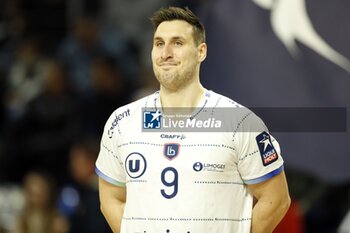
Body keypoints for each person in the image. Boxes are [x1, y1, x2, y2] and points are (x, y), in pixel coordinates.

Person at [95, 6, 291, 233]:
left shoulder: (240, 122)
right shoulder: (122, 122)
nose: (165, 52)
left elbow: (276, 199)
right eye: (159, 43)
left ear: (201, 51)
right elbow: (110, 198)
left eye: (177, 43)